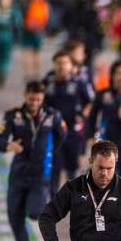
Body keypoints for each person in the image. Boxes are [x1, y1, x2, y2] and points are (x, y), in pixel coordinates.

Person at [0, 81, 66, 241]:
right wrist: (9, 145)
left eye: (38, 99)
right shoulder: (13, 116)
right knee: (14, 216)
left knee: (34, 212)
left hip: (40, 175)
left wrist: (49, 155)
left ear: (42, 98)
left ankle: (42, 237)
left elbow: (62, 136)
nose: (34, 102)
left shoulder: (52, 116)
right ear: (25, 95)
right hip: (18, 174)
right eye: (32, 98)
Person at [44, 51, 95, 195]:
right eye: (58, 63)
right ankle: (53, 200)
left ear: (71, 66)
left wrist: (84, 114)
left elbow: (90, 101)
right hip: (54, 132)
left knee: (72, 168)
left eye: (65, 63)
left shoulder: (79, 82)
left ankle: (75, 198)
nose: (61, 67)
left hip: (73, 131)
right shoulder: (49, 82)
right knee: (54, 166)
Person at [20, 0, 51, 81]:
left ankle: (27, 74)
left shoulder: (27, 3)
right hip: (38, 31)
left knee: (27, 52)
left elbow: (22, 17)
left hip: (27, 30)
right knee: (37, 53)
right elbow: (46, 18)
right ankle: (37, 73)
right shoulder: (44, 4)